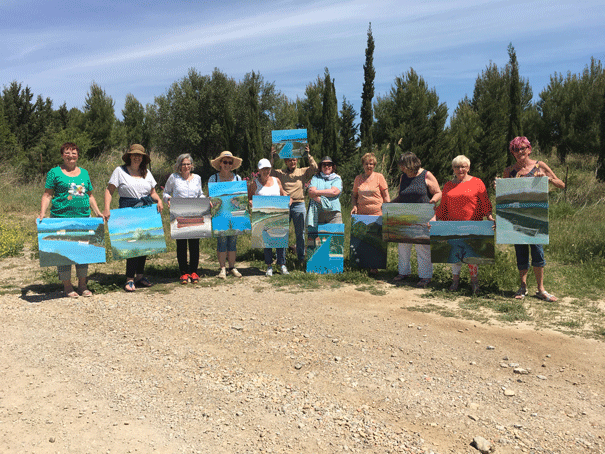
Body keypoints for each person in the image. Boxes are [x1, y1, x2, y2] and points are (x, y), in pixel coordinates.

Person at [503, 136, 565, 302]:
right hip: (517, 218)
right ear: (512, 153)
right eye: (515, 149)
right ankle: (523, 287)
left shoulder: (540, 166)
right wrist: (499, 188)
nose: (519, 152)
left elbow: (561, 184)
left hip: (536, 217)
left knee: (538, 252)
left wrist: (548, 179)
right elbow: (506, 196)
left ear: (529, 149)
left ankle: (541, 289)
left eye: (522, 148)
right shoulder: (509, 171)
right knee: (521, 253)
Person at [39, 142, 103, 297]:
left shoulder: (84, 173)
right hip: (60, 219)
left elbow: (89, 195)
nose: (70, 156)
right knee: (63, 253)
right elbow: (47, 195)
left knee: (82, 252)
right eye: (67, 153)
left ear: (78, 155)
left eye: (74, 153)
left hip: (83, 219)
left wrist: (98, 212)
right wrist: (42, 213)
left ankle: (82, 285)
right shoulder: (54, 172)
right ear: (62, 155)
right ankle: (67, 287)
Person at [103, 144, 164, 292]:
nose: (137, 157)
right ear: (129, 156)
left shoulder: (146, 172)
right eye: (134, 155)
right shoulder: (120, 171)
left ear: (143, 158)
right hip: (128, 210)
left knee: (144, 243)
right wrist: (106, 208)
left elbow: (152, 192)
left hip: (146, 209)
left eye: (140, 155)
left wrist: (159, 200)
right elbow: (109, 191)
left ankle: (140, 276)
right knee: (132, 244)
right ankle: (129, 279)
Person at [434, 155, 494, 294]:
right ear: (453, 168)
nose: (460, 169)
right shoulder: (448, 185)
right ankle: (455, 281)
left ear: (468, 167)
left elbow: (485, 202)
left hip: (473, 224)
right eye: (457, 167)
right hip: (453, 225)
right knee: (455, 255)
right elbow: (443, 206)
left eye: (463, 166)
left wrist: (490, 217)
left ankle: (474, 283)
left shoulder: (477, 182)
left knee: (472, 256)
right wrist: (434, 219)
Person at [391, 152, 442, 287]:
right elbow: (401, 196)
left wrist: (433, 202)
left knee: (422, 247)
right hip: (404, 216)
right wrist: (389, 205)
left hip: (423, 215)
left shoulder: (426, 174)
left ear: (411, 164)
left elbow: (438, 192)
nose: (401, 168)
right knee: (403, 245)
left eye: (403, 165)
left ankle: (425, 276)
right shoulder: (403, 177)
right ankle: (403, 272)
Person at [270, 144, 317, 263]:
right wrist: (273, 157)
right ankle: (280, 258)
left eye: (295, 160)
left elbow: (315, 168)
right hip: (284, 204)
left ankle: (301, 258)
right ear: (286, 162)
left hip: (299, 204)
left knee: (300, 233)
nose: (293, 162)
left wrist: (308, 155)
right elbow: (268, 171)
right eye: (290, 160)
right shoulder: (280, 173)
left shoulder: (303, 171)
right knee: (281, 232)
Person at [163, 153, 204, 284]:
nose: (186, 166)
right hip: (179, 214)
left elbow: (200, 194)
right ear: (179, 166)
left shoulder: (197, 178)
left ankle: (194, 271)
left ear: (191, 165)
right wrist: (169, 199)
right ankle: (184, 272)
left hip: (194, 213)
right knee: (181, 244)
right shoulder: (174, 177)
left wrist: (206, 201)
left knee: (194, 243)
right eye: (183, 164)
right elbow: (165, 193)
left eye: (188, 164)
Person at [350, 152, 390, 274]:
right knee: (363, 240)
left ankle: (374, 266)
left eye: (371, 164)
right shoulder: (358, 179)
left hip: (377, 214)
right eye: (367, 164)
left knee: (375, 241)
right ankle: (362, 264)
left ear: (374, 165)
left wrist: (388, 209)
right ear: (363, 165)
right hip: (361, 215)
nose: (369, 166)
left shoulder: (379, 177)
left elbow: (386, 196)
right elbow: (354, 196)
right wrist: (354, 206)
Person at [249, 159, 290, 277]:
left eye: (267, 169)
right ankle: (269, 266)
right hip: (263, 216)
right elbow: (249, 198)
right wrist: (251, 203)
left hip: (278, 214)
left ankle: (282, 265)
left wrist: (288, 198)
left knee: (280, 239)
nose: (266, 171)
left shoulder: (276, 180)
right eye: (263, 169)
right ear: (259, 170)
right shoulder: (254, 184)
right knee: (266, 241)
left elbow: (283, 193)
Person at [208, 151, 244, 279]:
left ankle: (232, 267)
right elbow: (210, 196)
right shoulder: (214, 179)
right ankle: (222, 268)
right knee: (222, 241)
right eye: (225, 162)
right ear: (220, 163)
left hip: (235, 214)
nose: (227, 165)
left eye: (230, 162)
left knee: (233, 241)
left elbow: (241, 198)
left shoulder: (238, 178)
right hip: (220, 214)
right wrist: (210, 202)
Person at [307, 156, 343, 226]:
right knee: (317, 234)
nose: (326, 167)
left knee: (336, 233)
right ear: (320, 167)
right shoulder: (315, 178)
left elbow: (334, 192)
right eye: (324, 165)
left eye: (329, 165)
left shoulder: (337, 178)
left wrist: (316, 193)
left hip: (334, 214)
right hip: (318, 213)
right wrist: (326, 195)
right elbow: (311, 193)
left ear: (332, 167)